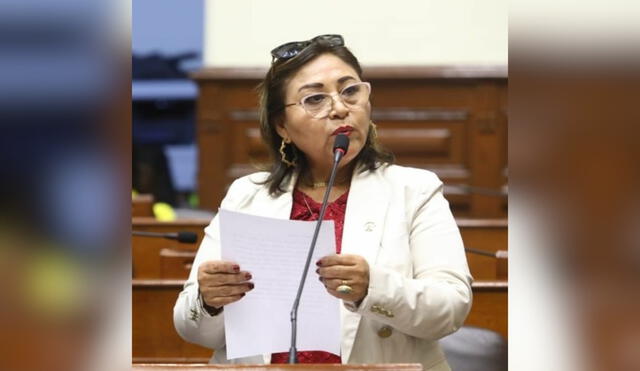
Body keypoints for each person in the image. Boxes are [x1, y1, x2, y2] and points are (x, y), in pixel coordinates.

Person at [173, 34, 472, 370]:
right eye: (315, 98)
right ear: (282, 126)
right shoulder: (247, 195)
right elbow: (191, 327)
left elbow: (451, 308)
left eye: (350, 91)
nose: (340, 108)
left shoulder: (414, 189)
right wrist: (210, 300)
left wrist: (373, 288)